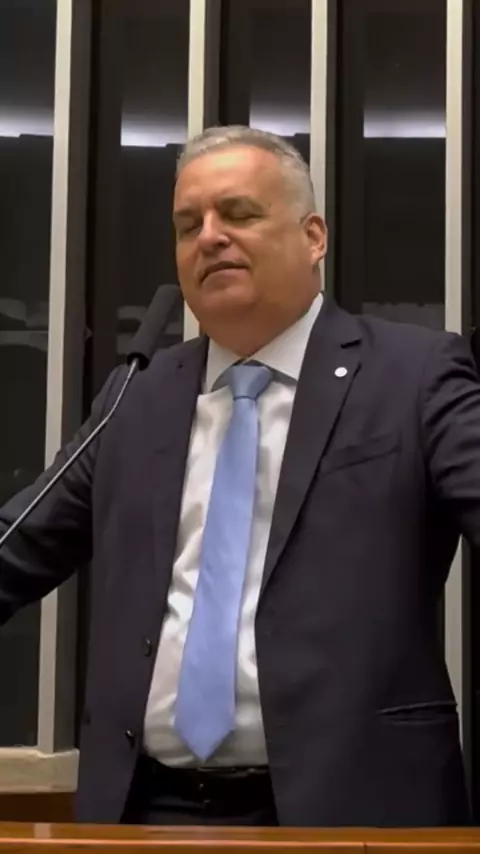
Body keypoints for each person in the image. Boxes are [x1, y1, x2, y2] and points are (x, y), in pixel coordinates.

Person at [0, 125, 479, 828]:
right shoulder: (138, 396)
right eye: (188, 224)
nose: (210, 237)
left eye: (239, 213)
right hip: (144, 810)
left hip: (355, 807)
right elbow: (17, 547)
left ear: (313, 237)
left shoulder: (413, 376)